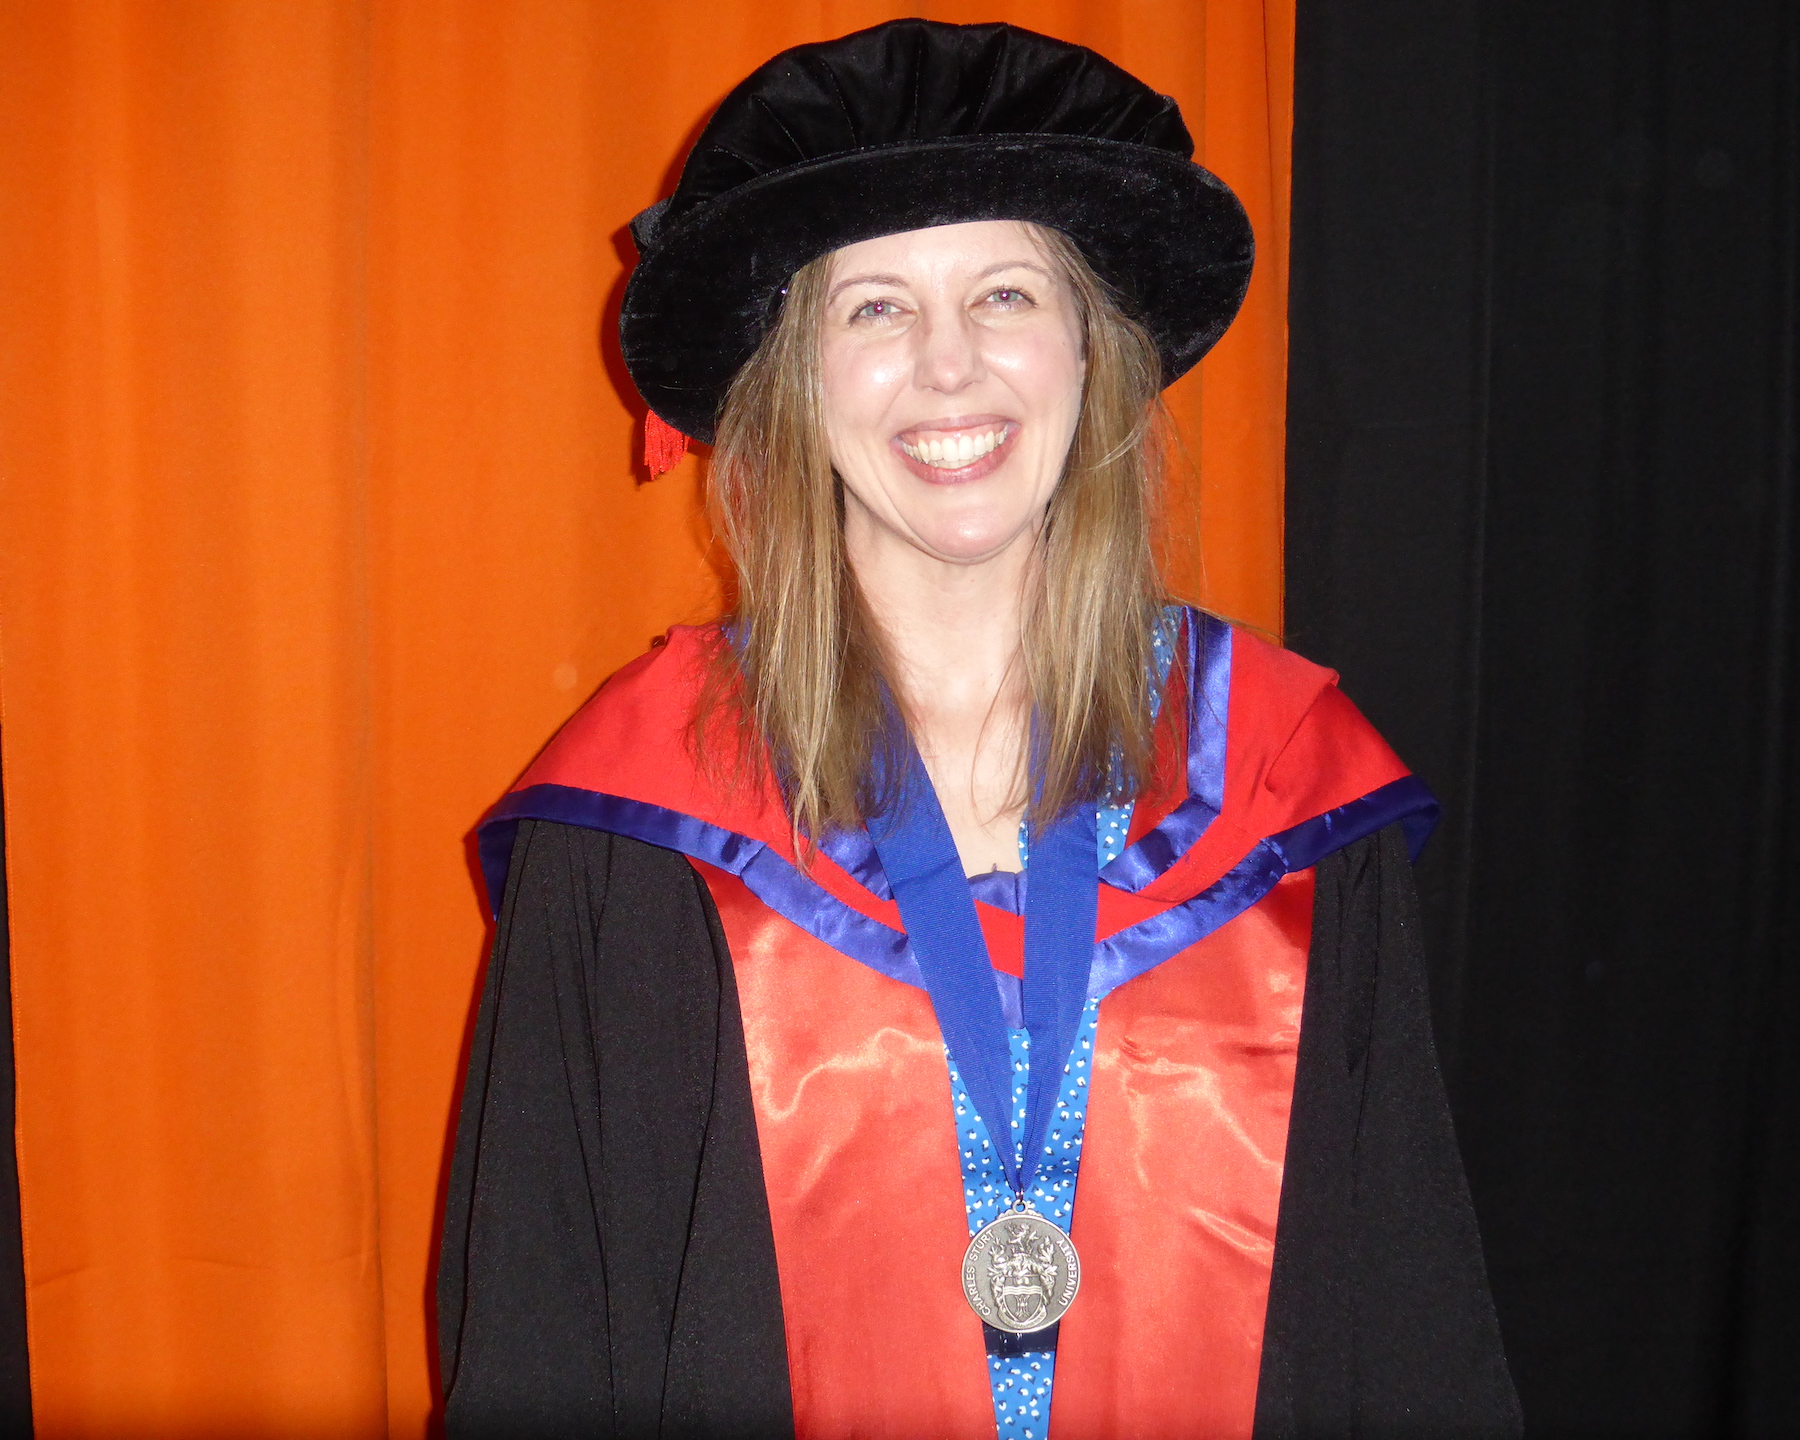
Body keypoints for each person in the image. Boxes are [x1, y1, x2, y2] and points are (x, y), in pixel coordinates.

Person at [437, 19, 1520, 1440]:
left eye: (1005, 294)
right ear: (796, 379)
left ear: (1090, 350)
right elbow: (541, 1332)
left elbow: (1405, 1315)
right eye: (874, 309)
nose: (949, 368)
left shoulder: (1280, 788)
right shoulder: (644, 824)